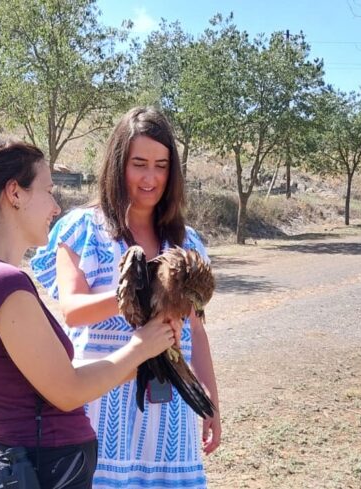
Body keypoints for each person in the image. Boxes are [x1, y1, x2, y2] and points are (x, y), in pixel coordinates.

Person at [0, 139, 180, 489]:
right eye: (49, 191)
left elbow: (51, 377)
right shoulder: (2, 283)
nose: (55, 207)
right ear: (15, 193)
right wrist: (140, 347)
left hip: (40, 465)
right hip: (50, 468)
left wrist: (144, 357)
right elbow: (67, 391)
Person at [31, 107, 221, 488]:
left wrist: (210, 400)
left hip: (171, 414)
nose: (150, 178)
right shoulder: (83, 229)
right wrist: (137, 291)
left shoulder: (187, 242)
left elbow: (196, 332)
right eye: (139, 164)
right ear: (118, 165)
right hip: (103, 407)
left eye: (161, 166)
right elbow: (72, 310)